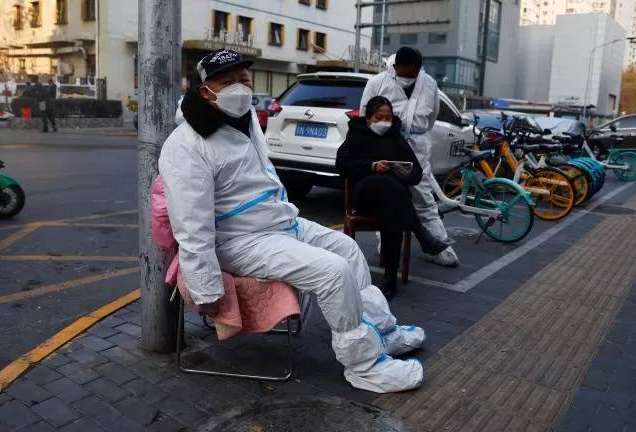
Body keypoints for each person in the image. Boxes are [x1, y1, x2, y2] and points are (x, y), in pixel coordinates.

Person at [159, 49, 425, 393]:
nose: (239, 88)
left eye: (243, 80)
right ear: (205, 89)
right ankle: (364, 365)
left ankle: (383, 332)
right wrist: (206, 288)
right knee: (333, 271)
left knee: (347, 249)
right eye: (227, 82)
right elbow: (191, 226)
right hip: (239, 241)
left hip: (279, 223)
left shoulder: (244, 119)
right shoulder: (186, 145)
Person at [336, 96, 452, 299]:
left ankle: (390, 277)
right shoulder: (356, 135)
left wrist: (403, 171)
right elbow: (342, 166)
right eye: (378, 117)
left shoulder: (396, 137)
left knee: (393, 209)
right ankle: (421, 234)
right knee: (387, 186)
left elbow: (416, 174)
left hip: (392, 202)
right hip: (365, 196)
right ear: (368, 118)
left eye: (387, 117)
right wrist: (371, 166)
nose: (383, 121)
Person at [360, 47, 459, 267]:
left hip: (417, 145)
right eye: (402, 73)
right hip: (386, 144)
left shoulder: (429, 84)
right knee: (386, 195)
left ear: (418, 68)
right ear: (395, 67)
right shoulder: (377, 82)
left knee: (423, 197)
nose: (406, 77)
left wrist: (415, 134)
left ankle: (439, 245)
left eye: (411, 74)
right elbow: (364, 115)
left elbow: (431, 117)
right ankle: (385, 242)